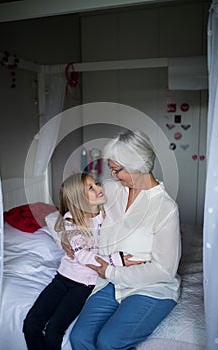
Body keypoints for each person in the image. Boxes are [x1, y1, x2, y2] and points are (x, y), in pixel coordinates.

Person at [70, 129, 181, 350]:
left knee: (109, 341)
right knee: (79, 338)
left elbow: (164, 270)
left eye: (116, 169)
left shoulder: (165, 208)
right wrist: (70, 237)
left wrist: (110, 272)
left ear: (136, 165)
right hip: (110, 284)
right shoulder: (111, 190)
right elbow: (77, 213)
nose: (111, 175)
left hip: (150, 288)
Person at [22, 172, 139, 350]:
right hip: (63, 278)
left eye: (96, 184)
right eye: (90, 188)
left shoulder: (107, 217)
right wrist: (117, 260)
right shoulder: (71, 218)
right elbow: (82, 255)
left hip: (85, 285)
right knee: (30, 324)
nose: (99, 189)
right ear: (78, 199)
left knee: (54, 329)